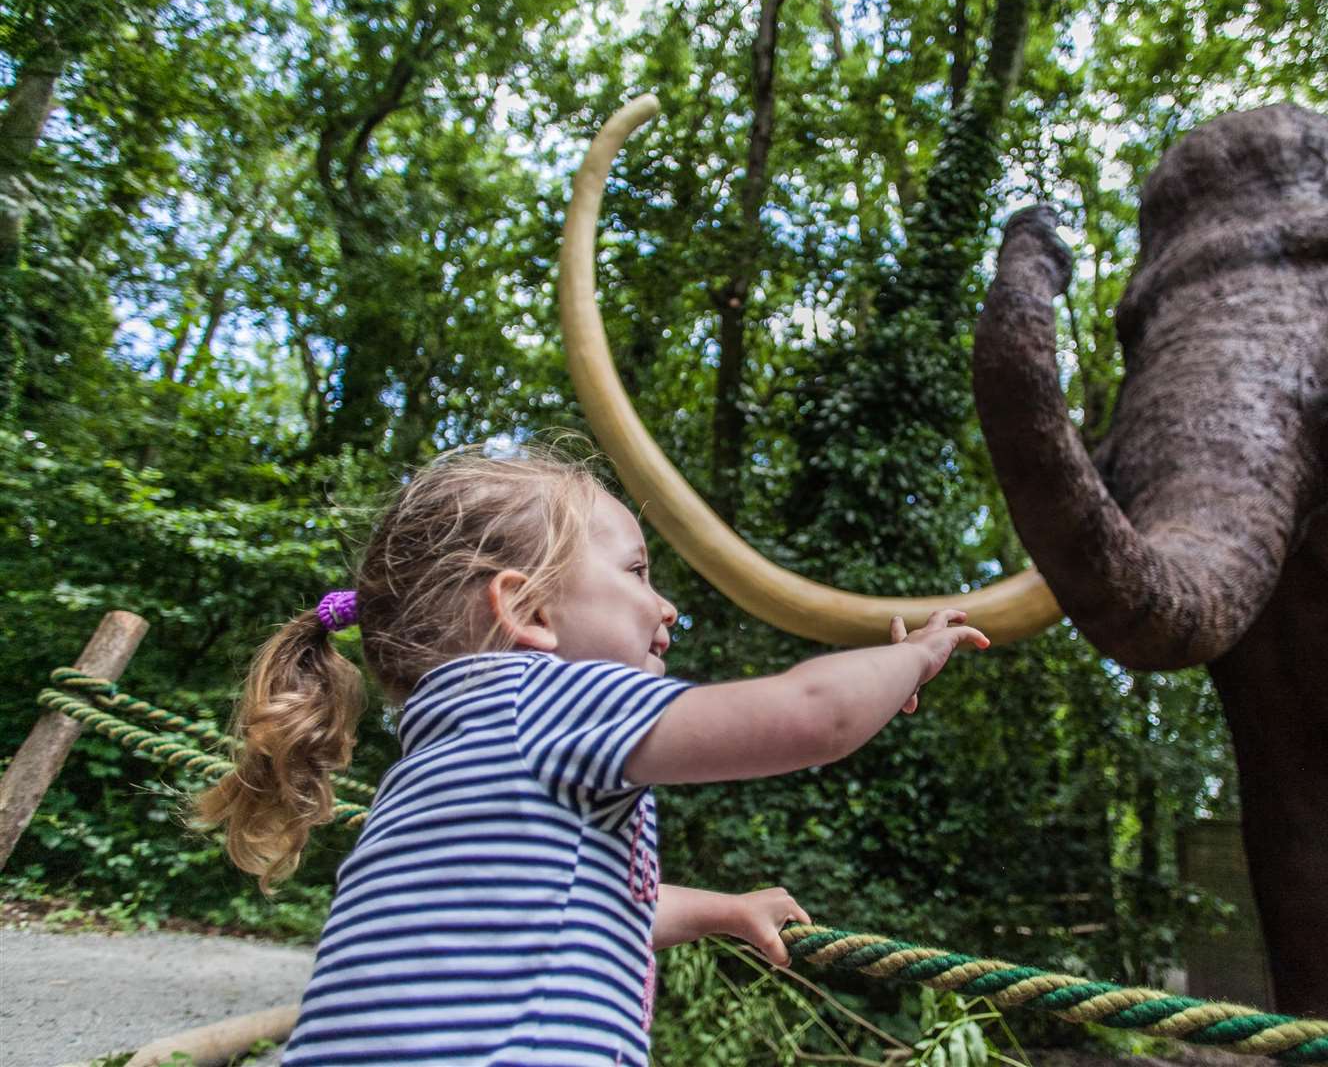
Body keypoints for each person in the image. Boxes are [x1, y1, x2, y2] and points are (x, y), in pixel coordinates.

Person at [195, 442, 989, 1066]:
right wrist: (914, 657)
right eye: (638, 572)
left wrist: (725, 911)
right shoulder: (545, 699)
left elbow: (576, 905)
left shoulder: (439, 756)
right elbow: (816, 715)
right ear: (529, 609)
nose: (666, 604)